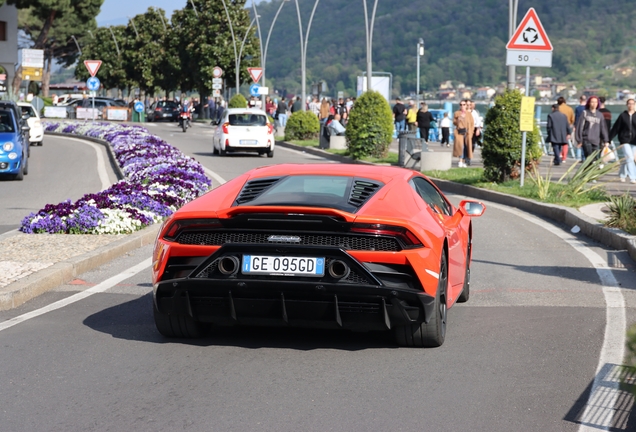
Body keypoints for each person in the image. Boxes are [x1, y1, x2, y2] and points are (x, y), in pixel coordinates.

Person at [609, 98, 636, 183]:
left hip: (634, 141)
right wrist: (608, 139)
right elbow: (616, 128)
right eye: (629, 104)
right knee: (630, 158)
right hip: (624, 140)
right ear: (626, 105)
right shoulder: (622, 116)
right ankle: (633, 177)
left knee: (626, 158)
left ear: (635, 105)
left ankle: (622, 175)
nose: (631, 105)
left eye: (632, 104)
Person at [574, 95, 609, 161]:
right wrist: (579, 140)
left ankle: (586, 170)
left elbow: (603, 128)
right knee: (590, 158)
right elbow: (579, 127)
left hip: (596, 140)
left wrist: (606, 140)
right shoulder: (585, 113)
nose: (594, 104)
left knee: (594, 159)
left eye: (596, 102)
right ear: (589, 103)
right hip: (586, 139)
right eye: (592, 102)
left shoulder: (600, 115)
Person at [453, 100, 474, 167]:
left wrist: (471, 132)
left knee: (466, 147)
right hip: (459, 132)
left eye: (464, 104)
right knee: (460, 146)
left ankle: (465, 160)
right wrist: (458, 119)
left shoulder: (469, 114)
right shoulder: (457, 113)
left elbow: (472, 123)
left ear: (466, 105)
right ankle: (460, 160)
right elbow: (454, 122)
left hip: (467, 133)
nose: (462, 106)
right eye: (461, 104)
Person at [557, 96, 575, 163]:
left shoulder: (558, 108)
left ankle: (558, 155)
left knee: (557, 142)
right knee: (565, 143)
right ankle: (564, 157)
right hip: (567, 126)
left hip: (558, 127)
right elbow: (572, 119)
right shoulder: (570, 109)